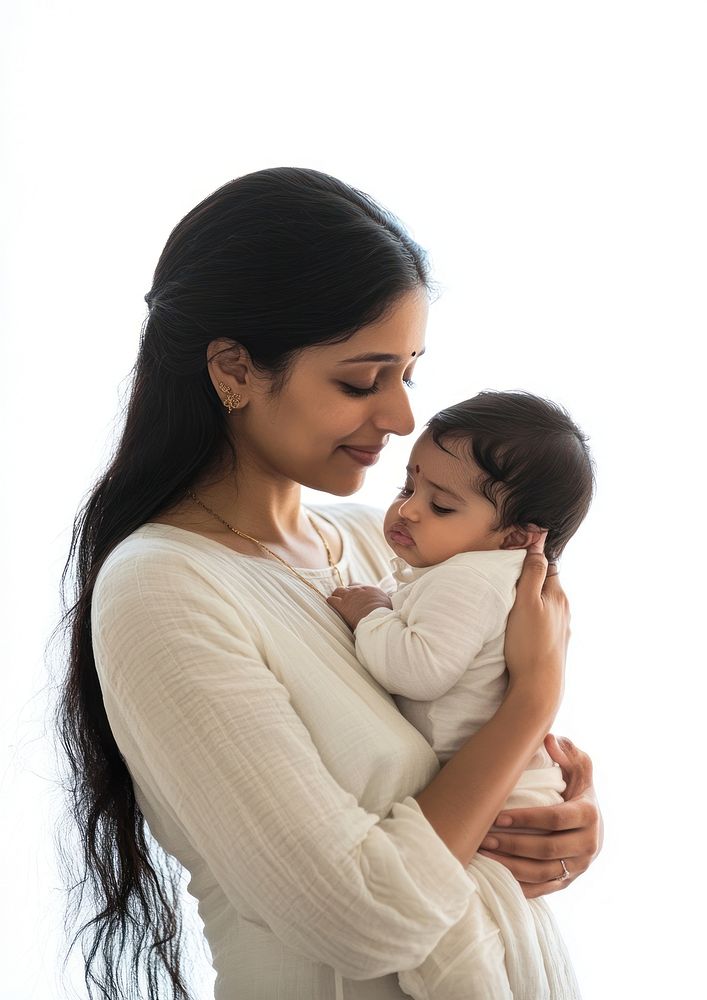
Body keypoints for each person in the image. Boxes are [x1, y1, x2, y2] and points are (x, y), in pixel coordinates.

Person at [58, 167, 603, 1000]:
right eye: (360, 380)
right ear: (233, 369)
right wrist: (533, 699)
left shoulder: (376, 547)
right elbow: (367, 920)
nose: (398, 419)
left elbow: (463, 757)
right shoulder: (164, 590)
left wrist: (560, 823)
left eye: (407, 374)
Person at [327, 391, 595, 999]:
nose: (408, 511)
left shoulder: (469, 580)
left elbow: (419, 670)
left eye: (441, 505)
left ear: (516, 537)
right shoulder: (477, 569)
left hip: (494, 810)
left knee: (460, 954)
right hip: (499, 789)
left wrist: (370, 613)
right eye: (409, 486)